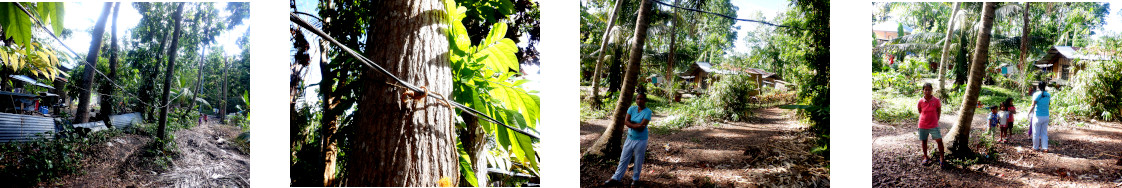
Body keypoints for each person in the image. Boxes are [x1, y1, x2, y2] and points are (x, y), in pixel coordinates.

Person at [603, 92, 653, 186]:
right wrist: (636, 125)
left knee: (638, 160)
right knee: (623, 159)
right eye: (637, 98)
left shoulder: (648, 111)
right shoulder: (631, 108)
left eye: (641, 99)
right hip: (629, 138)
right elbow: (626, 122)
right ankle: (616, 178)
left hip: (641, 140)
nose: (639, 100)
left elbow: (642, 127)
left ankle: (635, 180)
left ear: (645, 100)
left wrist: (632, 123)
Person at [916, 83, 944, 166]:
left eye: (929, 90)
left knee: (939, 140)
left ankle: (942, 158)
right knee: (924, 141)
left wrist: (936, 119)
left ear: (931, 90)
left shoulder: (936, 100)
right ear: (923, 91)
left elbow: (939, 111)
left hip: (934, 124)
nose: (927, 91)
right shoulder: (920, 101)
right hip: (922, 124)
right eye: (925, 90)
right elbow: (920, 111)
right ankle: (925, 157)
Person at [1029, 83, 1051, 152]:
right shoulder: (1048, 95)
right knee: (1044, 132)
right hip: (1046, 116)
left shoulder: (1036, 94)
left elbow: (1033, 105)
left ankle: (1035, 147)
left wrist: (1028, 113)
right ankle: (1045, 148)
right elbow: (1048, 104)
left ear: (1038, 87)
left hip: (1038, 116)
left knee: (1036, 132)